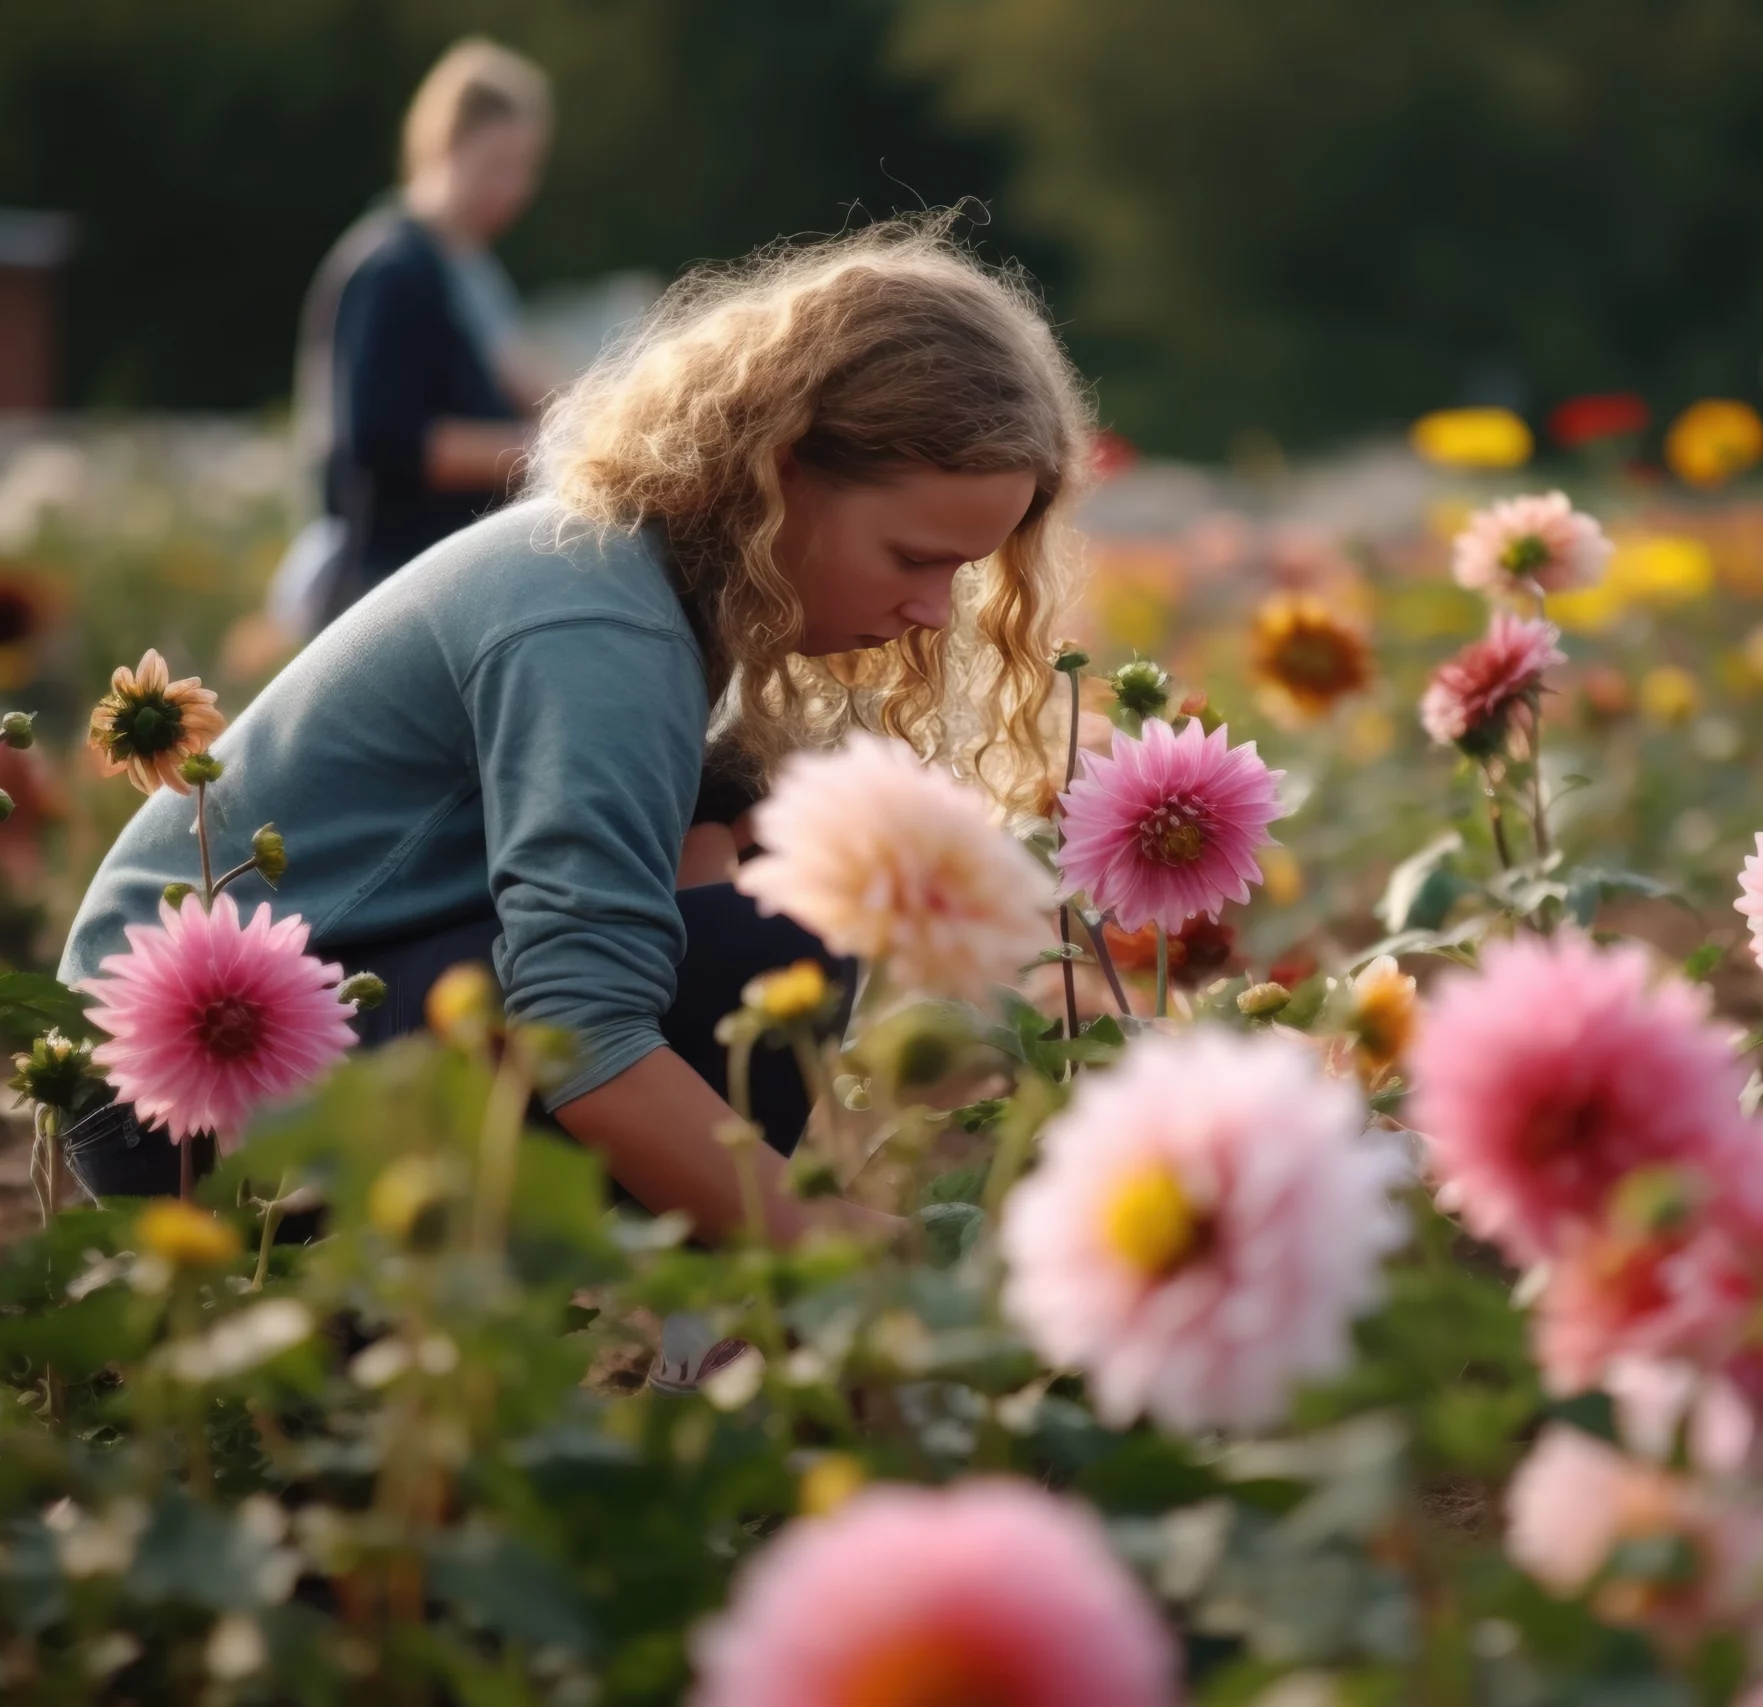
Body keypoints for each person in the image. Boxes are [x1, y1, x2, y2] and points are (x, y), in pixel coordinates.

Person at [58, 217, 1091, 1247]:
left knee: (754, 870)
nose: (933, 614)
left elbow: (669, 913)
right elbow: (579, 1031)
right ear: (785, 474)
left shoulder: (647, 575)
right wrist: (853, 1253)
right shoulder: (597, 622)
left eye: (960, 573)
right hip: (178, 1080)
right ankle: (684, 1323)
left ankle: (684, 1324)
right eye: (913, 557)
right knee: (774, 943)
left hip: (320, 1002)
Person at [278, 39, 557, 636]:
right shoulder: (392, 270)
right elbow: (384, 440)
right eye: (498, 165)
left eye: (527, 168)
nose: (515, 189)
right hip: (385, 588)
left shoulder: (463, 270)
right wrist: (543, 453)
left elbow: (528, 379)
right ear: (446, 145)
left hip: (426, 582)